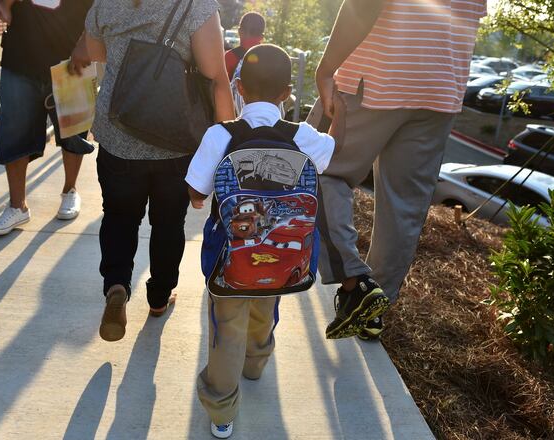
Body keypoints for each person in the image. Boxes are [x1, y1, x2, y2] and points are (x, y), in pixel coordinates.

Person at [186, 44, 344, 439]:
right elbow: (332, 151)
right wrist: (337, 116)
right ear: (287, 93)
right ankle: (256, 364)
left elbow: (196, 193)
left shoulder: (221, 135)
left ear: (238, 86)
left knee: (227, 325)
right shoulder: (303, 136)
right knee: (265, 300)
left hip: (229, 257)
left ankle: (222, 412)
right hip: (282, 258)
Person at [309, 0, 487, 339]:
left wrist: (325, 69)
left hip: (374, 76)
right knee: (403, 205)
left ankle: (355, 284)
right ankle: (374, 310)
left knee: (316, 170)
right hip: (439, 92)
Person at [78, 0, 234, 342]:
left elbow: (95, 52)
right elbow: (217, 78)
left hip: (118, 132)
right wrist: (230, 142)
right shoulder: (197, 6)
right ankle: (159, 297)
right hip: (174, 142)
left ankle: (117, 285)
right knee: (167, 224)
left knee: (118, 217)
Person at [0, 0, 95, 236]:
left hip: (71, 59)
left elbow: (100, 8)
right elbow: (0, 6)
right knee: (13, 131)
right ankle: (17, 206)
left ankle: (70, 190)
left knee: (73, 129)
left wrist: (86, 41)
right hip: (19, 60)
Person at [224, 12, 265, 81]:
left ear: (239, 32)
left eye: (254, 33)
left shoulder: (229, 57)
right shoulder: (268, 58)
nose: (249, 36)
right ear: (262, 37)